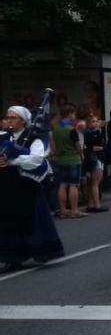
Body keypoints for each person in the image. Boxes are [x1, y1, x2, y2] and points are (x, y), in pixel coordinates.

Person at [0, 106, 65, 273]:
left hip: (26, 186)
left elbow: (37, 160)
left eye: (13, 117)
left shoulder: (34, 138)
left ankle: (40, 251)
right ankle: (13, 258)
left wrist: (13, 161)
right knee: (8, 222)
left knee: (30, 220)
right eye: (8, 117)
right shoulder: (4, 137)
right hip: (7, 186)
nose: (9, 120)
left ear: (23, 120)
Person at [52, 106, 86, 219]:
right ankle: (75, 210)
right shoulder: (71, 129)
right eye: (73, 114)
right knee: (73, 185)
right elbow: (78, 146)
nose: (74, 116)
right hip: (72, 159)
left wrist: (57, 155)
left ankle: (63, 210)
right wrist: (81, 155)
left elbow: (53, 147)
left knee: (62, 184)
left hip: (61, 160)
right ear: (70, 114)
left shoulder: (55, 128)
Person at [83, 115, 108, 213]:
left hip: (99, 157)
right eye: (93, 121)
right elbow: (93, 146)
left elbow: (102, 144)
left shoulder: (96, 132)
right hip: (94, 158)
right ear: (88, 123)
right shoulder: (89, 133)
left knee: (95, 182)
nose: (96, 123)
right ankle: (97, 205)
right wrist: (102, 147)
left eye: (97, 121)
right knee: (95, 182)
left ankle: (91, 204)